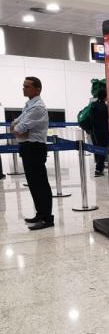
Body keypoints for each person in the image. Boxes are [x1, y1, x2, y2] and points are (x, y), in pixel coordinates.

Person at [11, 77, 53, 230]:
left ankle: (47, 218)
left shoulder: (38, 107)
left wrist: (18, 128)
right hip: (27, 147)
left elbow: (19, 128)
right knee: (34, 184)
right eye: (24, 86)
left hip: (35, 148)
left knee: (40, 184)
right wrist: (17, 128)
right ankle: (40, 214)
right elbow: (15, 123)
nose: (24, 88)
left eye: (27, 86)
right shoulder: (29, 105)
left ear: (37, 89)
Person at [90, 88, 109, 177]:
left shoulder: (93, 105)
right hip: (103, 131)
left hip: (95, 132)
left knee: (97, 150)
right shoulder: (104, 107)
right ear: (104, 96)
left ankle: (99, 167)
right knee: (103, 150)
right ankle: (98, 170)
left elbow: (91, 118)